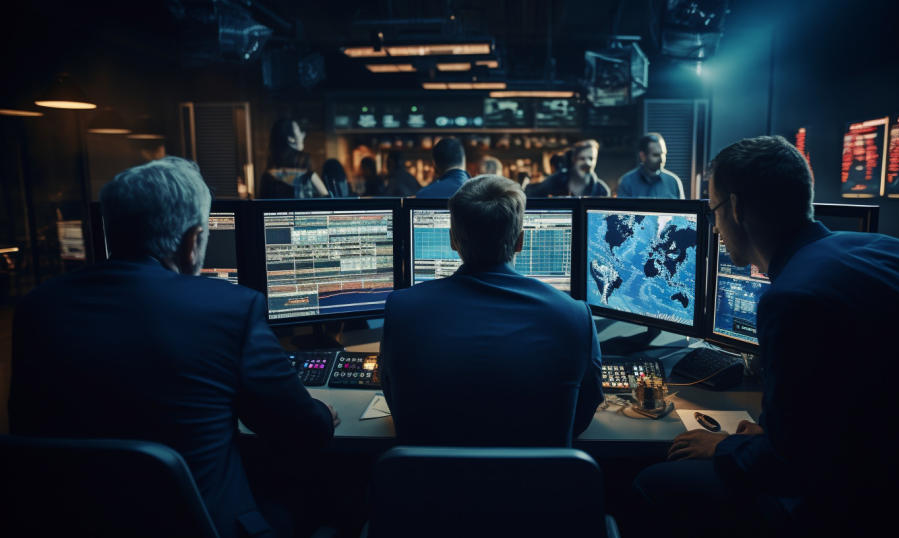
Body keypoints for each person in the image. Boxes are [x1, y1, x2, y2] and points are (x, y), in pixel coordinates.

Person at [634, 136, 899, 536]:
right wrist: (777, 434)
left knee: (650, 483)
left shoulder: (792, 298)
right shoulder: (895, 250)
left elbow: (789, 467)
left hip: (867, 507)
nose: (714, 225)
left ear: (735, 208)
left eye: (713, 209)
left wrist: (723, 447)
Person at [10, 157, 340, 538]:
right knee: (324, 500)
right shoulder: (229, 309)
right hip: (202, 526)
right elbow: (302, 431)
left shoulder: (37, 308)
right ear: (192, 240)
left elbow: (27, 433)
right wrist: (320, 412)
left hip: (72, 524)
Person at [380, 175, 603, 446]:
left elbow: (399, 409)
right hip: (537, 485)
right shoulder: (576, 317)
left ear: (453, 240)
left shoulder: (401, 311)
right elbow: (580, 418)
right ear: (521, 241)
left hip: (429, 486)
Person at [259, 119, 329, 199]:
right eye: (299, 131)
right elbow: (327, 200)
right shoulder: (306, 171)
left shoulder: (267, 176)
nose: (303, 135)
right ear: (290, 139)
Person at [525, 140, 610, 197]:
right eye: (582, 159)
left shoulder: (602, 190)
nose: (588, 163)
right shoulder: (556, 181)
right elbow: (529, 193)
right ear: (573, 160)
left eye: (591, 159)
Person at [616, 133, 685, 198]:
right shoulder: (627, 182)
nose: (662, 159)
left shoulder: (673, 182)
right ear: (643, 156)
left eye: (663, 153)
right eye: (655, 155)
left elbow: (683, 210)